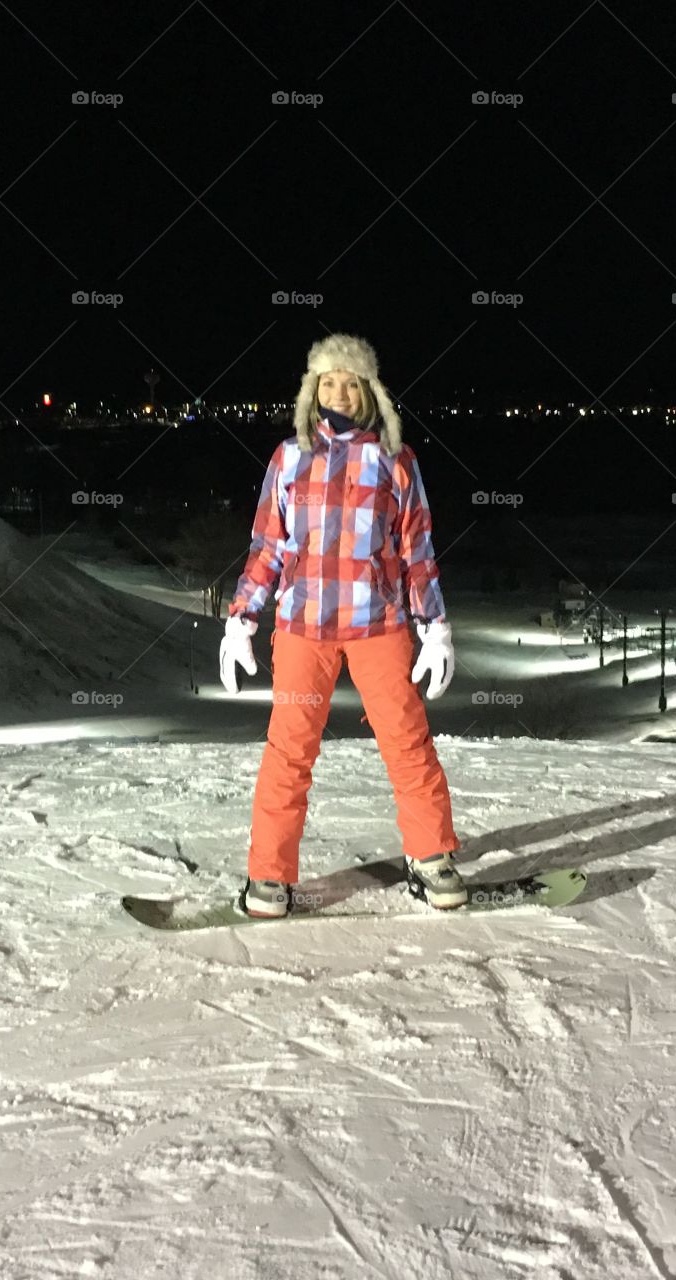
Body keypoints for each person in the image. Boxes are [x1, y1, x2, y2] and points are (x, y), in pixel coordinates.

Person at [219, 333, 463, 918]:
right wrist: (241, 620)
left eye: (351, 382)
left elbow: (416, 550)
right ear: (312, 389)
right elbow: (267, 547)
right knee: (289, 750)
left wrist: (435, 626)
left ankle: (431, 859)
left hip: (378, 626)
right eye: (329, 381)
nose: (340, 392)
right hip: (303, 627)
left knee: (407, 743)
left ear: (368, 391)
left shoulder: (395, 461)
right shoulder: (289, 458)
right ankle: (270, 878)